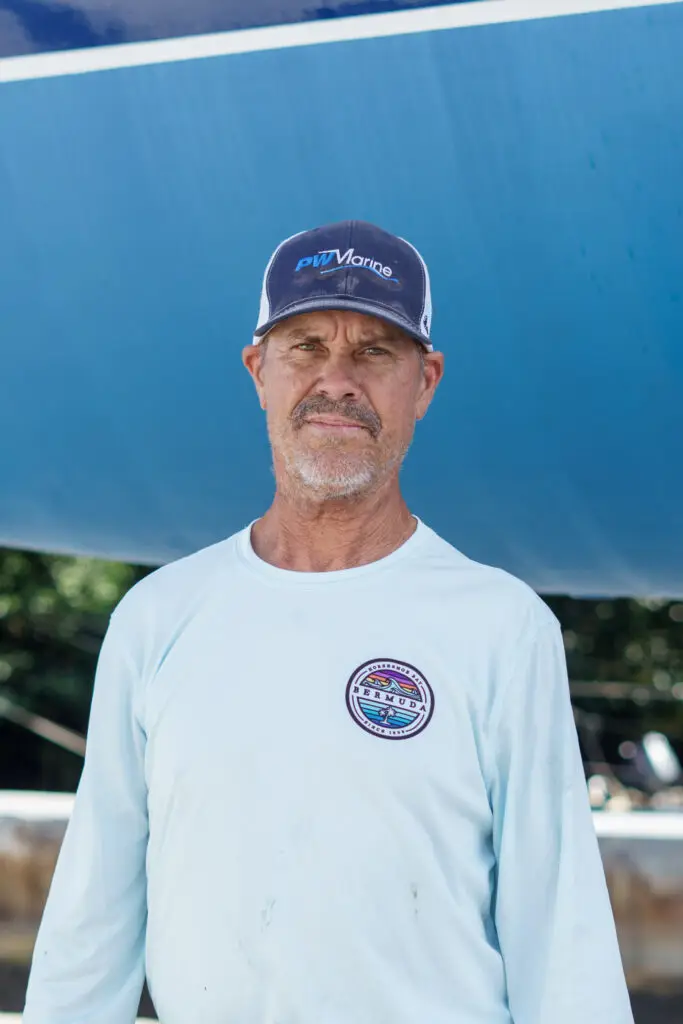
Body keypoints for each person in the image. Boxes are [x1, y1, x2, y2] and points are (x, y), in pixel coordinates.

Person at [23, 220, 634, 1024]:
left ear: (425, 382)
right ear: (258, 371)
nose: (337, 381)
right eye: (305, 346)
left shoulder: (501, 628)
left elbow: (559, 931)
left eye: (375, 351)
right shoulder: (159, 617)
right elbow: (92, 919)